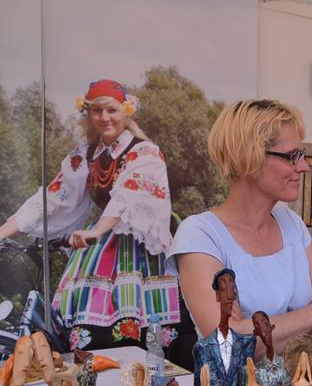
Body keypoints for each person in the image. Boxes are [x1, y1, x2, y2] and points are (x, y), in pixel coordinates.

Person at [0, 79, 179, 350]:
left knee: (140, 328)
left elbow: (128, 195)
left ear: (125, 112)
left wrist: (96, 231)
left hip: (133, 246)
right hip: (98, 243)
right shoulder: (86, 154)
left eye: (112, 110)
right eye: (97, 110)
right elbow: (54, 197)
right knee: (81, 331)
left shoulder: (145, 152)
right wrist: (3, 233)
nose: (104, 118)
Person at [166, 99, 312, 359]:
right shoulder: (200, 234)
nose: (304, 167)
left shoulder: (293, 224)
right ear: (249, 157)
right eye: (292, 156)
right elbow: (226, 347)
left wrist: (248, 330)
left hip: (307, 382)